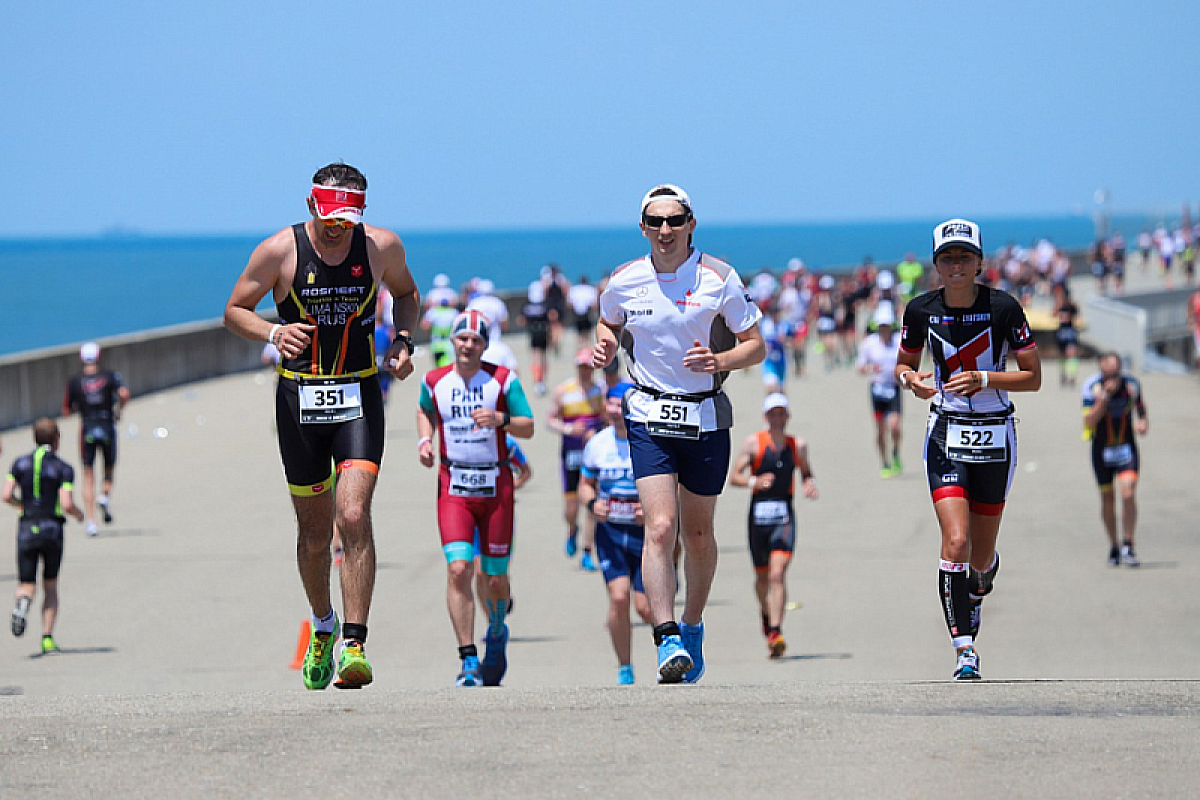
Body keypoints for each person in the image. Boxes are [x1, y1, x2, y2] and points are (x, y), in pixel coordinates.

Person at [223, 162, 420, 690]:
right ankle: (324, 626)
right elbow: (233, 310)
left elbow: (407, 295)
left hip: (358, 394)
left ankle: (355, 644)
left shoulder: (381, 247)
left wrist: (403, 342)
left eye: (348, 219)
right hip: (299, 402)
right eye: (331, 218)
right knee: (314, 535)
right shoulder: (278, 251)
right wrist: (270, 332)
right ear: (311, 206)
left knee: (353, 514)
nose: (338, 228)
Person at [593, 183, 765, 684]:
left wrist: (720, 359)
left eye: (674, 221)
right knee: (661, 528)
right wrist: (604, 345)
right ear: (643, 228)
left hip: (706, 416)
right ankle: (665, 636)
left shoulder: (719, 278)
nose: (664, 231)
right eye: (655, 222)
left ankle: (692, 624)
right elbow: (607, 323)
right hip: (648, 415)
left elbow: (755, 344)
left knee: (697, 534)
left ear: (691, 224)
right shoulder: (625, 280)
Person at [895, 218, 1041, 681]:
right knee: (956, 541)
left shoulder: (1003, 308)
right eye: (947, 257)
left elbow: (1033, 377)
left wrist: (984, 379)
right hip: (946, 433)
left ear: (979, 262)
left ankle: (982, 575)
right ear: (935, 264)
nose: (955, 265)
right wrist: (910, 380)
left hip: (996, 434)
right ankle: (964, 650)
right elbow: (905, 363)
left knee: (979, 557)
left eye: (964, 256)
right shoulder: (921, 310)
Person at [417, 310, 535, 687]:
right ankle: (468, 659)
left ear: (485, 345)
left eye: (476, 341)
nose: (468, 346)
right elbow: (424, 409)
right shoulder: (434, 380)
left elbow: (528, 426)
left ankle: (497, 632)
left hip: (496, 487)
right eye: (462, 339)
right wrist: (425, 439)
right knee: (458, 570)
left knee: (495, 578)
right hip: (454, 488)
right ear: (452, 342)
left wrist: (501, 420)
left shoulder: (502, 380)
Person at [728, 394, 817, 659]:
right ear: (765, 417)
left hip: (783, 517)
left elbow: (806, 471)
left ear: (788, 416)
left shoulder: (797, 445)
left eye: (782, 414)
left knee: (777, 574)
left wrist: (809, 483)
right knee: (762, 578)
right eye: (773, 414)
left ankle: (776, 631)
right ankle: (767, 616)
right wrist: (754, 482)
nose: (778, 419)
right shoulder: (754, 444)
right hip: (758, 519)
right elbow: (733, 477)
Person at [579, 382, 653, 684]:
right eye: (611, 403)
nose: (616, 409)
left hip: (645, 537)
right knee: (619, 597)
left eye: (622, 403)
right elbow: (585, 484)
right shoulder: (597, 444)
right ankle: (625, 666)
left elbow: (671, 486)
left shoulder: (647, 441)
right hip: (609, 534)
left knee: (646, 607)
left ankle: (673, 647)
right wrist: (591, 502)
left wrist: (650, 511)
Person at [4, 418, 85, 654]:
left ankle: (22, 604)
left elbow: (6, 494)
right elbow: (66, 503)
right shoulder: (63, 468)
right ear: (57, 439)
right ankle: (47, 637)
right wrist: (79, 515)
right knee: (50, 585)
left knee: (26, 583)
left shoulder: (19, 464)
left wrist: (22, 505)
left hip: (27, 526)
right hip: (52, 529)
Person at [1081, 353, 1148, 567]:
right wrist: (1104, 399)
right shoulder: (1092, 387)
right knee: (1107, 500)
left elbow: (1140, 407)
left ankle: (1128, 544)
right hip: (1101, 450)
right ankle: (1114, 546)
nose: (1111, 379)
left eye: (1115, 374)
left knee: (1128, 492)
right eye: (1107, 375)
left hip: (1126, 448)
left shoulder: (1131, 385)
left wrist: (1143, 422)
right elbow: (1089, 420)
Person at [547, 346, 607, 570]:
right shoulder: (564, 390)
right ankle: (572, 529)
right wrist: (568, 428)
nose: (585, 371)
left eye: (588, 367)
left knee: (592, 503)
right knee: (571, 507)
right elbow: (550, 420)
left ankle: (587, 551)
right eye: (581, 367)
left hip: (594, 456)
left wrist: (599, 431)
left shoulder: (600, 391)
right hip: (571, 454)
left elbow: (608, 418)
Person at [62, 342, 129, 537]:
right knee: (108, 469)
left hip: (87, 429)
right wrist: (118, 411)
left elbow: (66, 410)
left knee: (88, 475)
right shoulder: (110, 376)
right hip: (107, 425)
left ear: (81, 359)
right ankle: (104, 496)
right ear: (99, 357)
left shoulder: (75, 381)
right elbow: (124, 393)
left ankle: (91, 521)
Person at [856, 304, 904, 477]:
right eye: (881, 326)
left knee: (895, 426)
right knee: (880, 430)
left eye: (887, 326)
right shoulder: (869, 343)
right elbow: (860, 367)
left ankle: (896, 452)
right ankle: (884, 462)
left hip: (893, 388)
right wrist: (870, 368)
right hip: (877, 390)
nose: (884, 330)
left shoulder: (899, 340)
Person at [520, 280, 552, 395]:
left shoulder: (527, 306)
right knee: (543, 358)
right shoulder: (544, 305)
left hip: (533, 333)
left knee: (535, 358)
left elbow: (522, 321)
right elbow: (551, 319)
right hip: (543, 333)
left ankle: (536, 380)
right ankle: (542, 381)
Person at [1052, 283, 1081, 387]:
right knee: (1062, 355)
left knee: (1072, 354)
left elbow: (1075, 317)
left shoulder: (1071, 306)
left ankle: (1072, 377)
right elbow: (1053, 315)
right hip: (1062, 331)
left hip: (1069, 331)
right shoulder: (1059, 306)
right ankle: (1063, 375)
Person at [568, 275, 599, 347]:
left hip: (577, 313)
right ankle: (586, 347)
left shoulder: (574, 289)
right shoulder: (591, 289)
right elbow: (594, 304)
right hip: (587, 312)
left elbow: (569, 304)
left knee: (579, 332)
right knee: (587, 332)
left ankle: (581, 347)